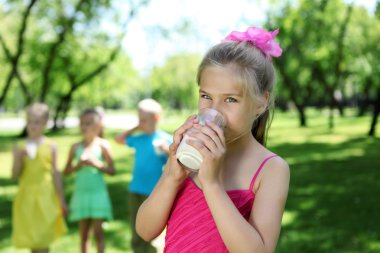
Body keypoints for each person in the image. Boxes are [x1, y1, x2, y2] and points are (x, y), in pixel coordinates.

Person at [136, 26, 290, 253]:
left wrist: (212, 184)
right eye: (206, 96)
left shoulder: (271, 169)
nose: (215, 110)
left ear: (261, 102)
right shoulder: (189, 153)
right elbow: (145, 230)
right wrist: (171, 176)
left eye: (230, 99)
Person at [114, 98, 172, 253]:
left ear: (156, 119)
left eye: (144, 120)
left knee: (153, 229)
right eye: (139, 120)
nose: (141, 123)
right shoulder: (138, 138)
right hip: (135, 189)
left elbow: (177, 160)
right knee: (136, 227)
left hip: (154, 192)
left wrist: (167, 150)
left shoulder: (165, 139)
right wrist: (135, 127)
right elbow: (118, 140)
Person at [11, 102, 67, 253]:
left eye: (37, 122)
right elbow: (14, 175)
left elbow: (56, 173)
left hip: (46, 196)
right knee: (32, 239)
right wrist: (19, 159)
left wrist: (61, 199)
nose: (32, 126)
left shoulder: (51, 145)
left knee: (43, 238)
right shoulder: (19, 146)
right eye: (29, 122)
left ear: (45, 123)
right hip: (26, 197)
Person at [64, 108, 115, 253]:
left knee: (98, 233)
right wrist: (78, 165)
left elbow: (112, 170)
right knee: (84, 235)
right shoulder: (75, 147)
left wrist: (97, 164)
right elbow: (66, 171)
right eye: (83, 123)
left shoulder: (103, 145)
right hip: (81, 194)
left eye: (89, 123)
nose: (85, 127)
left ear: (98, 126)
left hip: (98, 193)